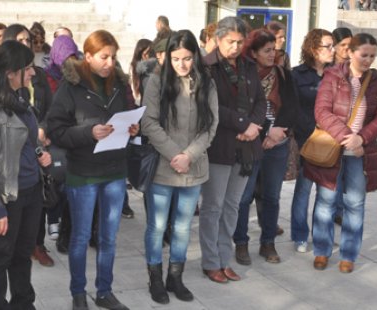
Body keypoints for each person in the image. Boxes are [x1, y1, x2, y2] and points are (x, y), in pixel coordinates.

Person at [47, 29, 138, 310]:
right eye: (103, 57)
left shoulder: (120, 84)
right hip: (83, 173)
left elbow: (132, 113)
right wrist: (89, 133)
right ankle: (78, 293)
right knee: (81, 236)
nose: (109, 62)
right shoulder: (71, 86)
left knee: (108, 238)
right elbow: (56, 130)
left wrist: (134, 129)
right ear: (87, 56)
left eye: (113, 56)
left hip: (114, 171)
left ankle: (104, 292)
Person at [0, 39, 52, 310]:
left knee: (21, 254)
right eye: (28, 68)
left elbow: (26, 139)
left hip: (31, 190)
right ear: (10, 72)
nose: (32, 73)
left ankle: (23, 303)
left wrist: (39, 152)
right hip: (6, 195)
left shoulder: (20, 98)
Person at [141, 30, 218, 304]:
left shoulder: (206, 83)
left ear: (195, 56)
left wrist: (189, 156)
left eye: (187, 58)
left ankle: (175, 276)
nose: (182, 65)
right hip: (164, 166)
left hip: (193, 167)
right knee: (158, 225)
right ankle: (155, 278)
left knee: (183, 227)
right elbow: (149, 122)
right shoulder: (155, 82)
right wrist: (175, 154)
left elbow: (211, 126)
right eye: (175, 59)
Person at [307, 33, 377, 273]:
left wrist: (361, 139)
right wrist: (346, 137)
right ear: (351, 52)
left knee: (355, 203)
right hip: (331, 149)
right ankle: (322, 250)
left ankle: (348, 254)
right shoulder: (333, 76)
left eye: (372, 56)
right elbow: (322, 111)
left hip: (360, 153)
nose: (368, 60)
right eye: (364, 55)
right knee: (326, 202)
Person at [200, 16, 265, 284]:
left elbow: (260, 101)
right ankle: (210, 261)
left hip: (246, 146)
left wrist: (254, 125)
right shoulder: (206, 67)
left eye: (240, 42)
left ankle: (225, 259)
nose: (235, 47)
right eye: (230, 42)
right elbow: (209, 105)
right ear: (218, 40)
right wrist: (243, 123)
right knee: (213, 207)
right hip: (219, 146)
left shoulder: (249, 65)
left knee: (232, 207)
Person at [232, 29, 299, 265]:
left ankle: (267, 242)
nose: (273, 55)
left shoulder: (283, 74)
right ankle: (241, 243)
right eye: (267, 50)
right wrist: (266, 129)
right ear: (253, 52)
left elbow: (293, 107)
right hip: (251, 142)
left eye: (275, 50)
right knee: (244, 196)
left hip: (278, 143)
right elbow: (242, 109)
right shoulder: (243, 75)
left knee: (271, 196)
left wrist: (278, 130)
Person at [3, 23, 56, 267]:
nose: (26, 44)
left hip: (39, 142)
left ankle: (38, 244)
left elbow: (51, 107)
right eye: (20, 40)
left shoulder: (39, 74)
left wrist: (42, 128)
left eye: (28, 40)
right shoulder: (3, 86)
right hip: (14, 161)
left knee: (40, 197)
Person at [290, 28, 334, 253]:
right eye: (328, 46)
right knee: (304, 189)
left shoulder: (336, 74)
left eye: (332, 45)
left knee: (327, 191)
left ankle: (322, 233)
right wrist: (310, 132)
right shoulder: (297, 75)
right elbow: (294, 109)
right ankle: (299, 235)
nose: (332, 50)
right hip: (307, 139)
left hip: (331, 140)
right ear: (314, 49)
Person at [43, 34, 80, 254]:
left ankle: (66, 230)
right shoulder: (47, 76)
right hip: (53, 135)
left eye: (72, 56)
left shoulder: (78, 77)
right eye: (65, 56)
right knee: (55, 182)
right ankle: (54, 221)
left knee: (70, 186)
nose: (69, 61)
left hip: (74, 136)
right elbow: (46, 106)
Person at [331, 26, 354, 225]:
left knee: (347, 172)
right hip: (331, 130)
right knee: (334, 173)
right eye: (343, 45)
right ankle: (335, 209)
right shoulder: (328, 69)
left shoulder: (356, 68)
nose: (347, 50)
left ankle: (340, 208)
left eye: (350, 45)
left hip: (352, 130)